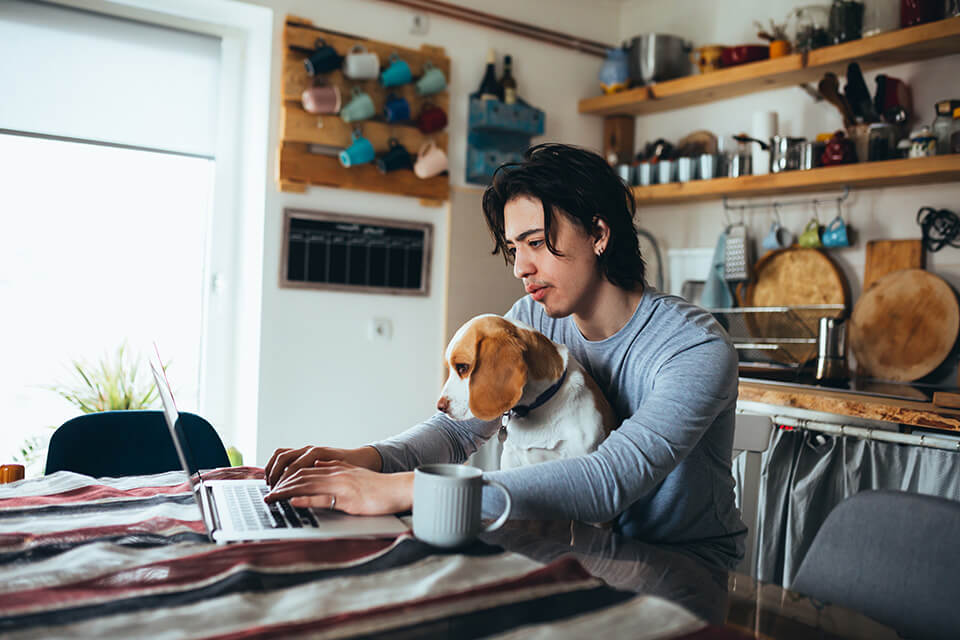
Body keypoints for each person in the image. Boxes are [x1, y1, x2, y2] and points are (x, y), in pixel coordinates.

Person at [265, 143, 746, 569]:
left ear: (599, 234)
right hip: (563, 546)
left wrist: (407, 489)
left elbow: (609, 480)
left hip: (677, 568)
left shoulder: (692, 346)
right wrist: (369, 459)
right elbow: (459, 429)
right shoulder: (532, 319)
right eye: (514, 247)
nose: (520, 267)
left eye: (536, 242)